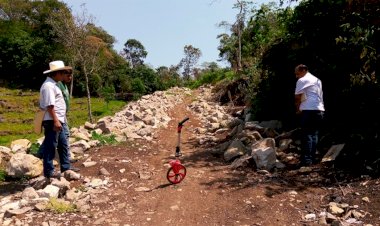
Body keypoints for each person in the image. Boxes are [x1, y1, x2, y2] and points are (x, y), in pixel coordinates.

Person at [38, 60, 72, 178]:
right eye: (62, 73)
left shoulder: (53, 85)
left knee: (62, 144)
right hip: (53, 120)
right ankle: (49, 171)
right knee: (50, 145)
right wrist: (56, 121)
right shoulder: (48, 86)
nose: (63, 75)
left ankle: (66, 168)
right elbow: (50, 105)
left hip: (58, 120)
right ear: (56, 73)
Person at [294, 64, 325, 166]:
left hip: (308, 109)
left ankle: (306, 161)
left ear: (303, 71)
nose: (297, 76)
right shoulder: (317, 80)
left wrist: (298, 109)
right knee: (314, 135)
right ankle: (312, 158)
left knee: (306, 135)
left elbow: (297, 97)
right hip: (319, 109)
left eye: (297, 74)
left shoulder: (302, 80)